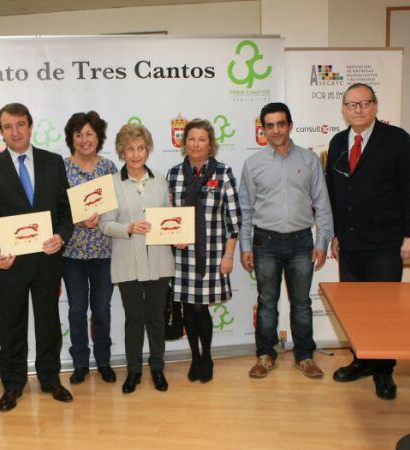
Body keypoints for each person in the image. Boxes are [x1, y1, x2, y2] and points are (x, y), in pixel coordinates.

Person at [326, 83, 410, 400]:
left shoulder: (397, 140)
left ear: (375, 106)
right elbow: (335, 194)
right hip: (351, 243)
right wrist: (336, 235)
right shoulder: (339, 142)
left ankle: (383, 370)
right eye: (351, 105)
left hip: (386, 243)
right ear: (343, 109)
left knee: (384, 311)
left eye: (364, 103)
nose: (358, 109)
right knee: (357, 310)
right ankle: (363, 361)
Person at [0, 103, 74, 412]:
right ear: (1, 131)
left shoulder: (53, 162)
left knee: (48, 324)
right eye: (8, 126)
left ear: (30, 126)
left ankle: (50, 379)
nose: (15, 132)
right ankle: (13, 384)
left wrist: (61, 235)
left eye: (20, 124)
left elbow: (66, 210)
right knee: (12, 326)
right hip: (12, 263)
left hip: (47, 260)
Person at [239, 103, 333, 380]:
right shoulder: (253, 164)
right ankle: (265, 355)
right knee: (267, 301)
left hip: (301, 241)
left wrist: (322, 241)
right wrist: (246, 246)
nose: (276, 130)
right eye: (270, 125)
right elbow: (246, 210)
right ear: (263, 129)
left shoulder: (309, 160)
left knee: (302, 303)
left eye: (281, 123)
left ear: (290, 125)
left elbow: (322, 205)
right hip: (264, 242)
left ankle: (304, 356)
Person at [99, 123, 174, 395]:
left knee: (155, 318)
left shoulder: (161, 180)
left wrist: (176, 234)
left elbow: (169, 219)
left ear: (148, 149)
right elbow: (105, 224)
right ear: (121, 150)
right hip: (127, 261)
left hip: (159, 260)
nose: (136, 154)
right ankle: (133, 371)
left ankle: (157, 368)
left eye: (141, 148)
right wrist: (127, 228)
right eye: (130, 148)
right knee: (134, 320)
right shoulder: (110, 184)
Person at [166, 119, 242, 383]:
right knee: (188, 308)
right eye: (191, 139)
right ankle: (195, 357)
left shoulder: (223, 173)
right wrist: (173, 237)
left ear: (210, 144)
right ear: (183, 142)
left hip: (212, 254)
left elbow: (233, 218)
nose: (195, 144)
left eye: (201, 139)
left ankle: (207, 356)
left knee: (200, 309)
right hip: (182, 254)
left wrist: (229, 255)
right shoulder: (174, 174)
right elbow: (170, 216)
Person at [61, 112, 119, 385]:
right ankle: (80, 363)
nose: (85, 140)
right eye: (79, 134)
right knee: (76, 309)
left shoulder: (108, 168)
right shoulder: (61, 168)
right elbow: (56, 210)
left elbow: (119, 207)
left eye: (90, 134)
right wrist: (77, 219)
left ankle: (104, 361)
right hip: (72, 252)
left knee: (102, 309)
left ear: (98, 138)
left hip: (104, 251)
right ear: (71, 138)